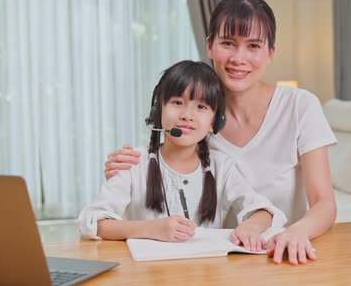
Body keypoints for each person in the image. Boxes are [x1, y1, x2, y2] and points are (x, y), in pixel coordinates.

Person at [104, 0, 337, 264]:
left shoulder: (300, 106)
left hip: (282, 256)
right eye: (228, 43)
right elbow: (159, 168)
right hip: (216, 262)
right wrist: (124, 168)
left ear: (270, 53)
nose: (239, 58)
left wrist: (297, 232)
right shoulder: (196, 118)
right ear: (210, 47)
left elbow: (324, 202)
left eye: (253, 46)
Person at [79, 60, 287, 252]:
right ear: (158, 111)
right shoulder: (134, 162)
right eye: (177, 102)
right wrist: (151, 229)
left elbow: (264, 211)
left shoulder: (221, 166)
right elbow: (93, 223)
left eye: (201, 107)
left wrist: (250, 227)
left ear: (214, 123)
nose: (187, 114)